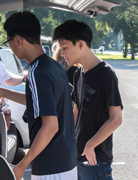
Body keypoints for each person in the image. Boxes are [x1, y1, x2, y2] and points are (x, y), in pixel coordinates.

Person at [0, 11, 77, 180]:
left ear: (18, 40)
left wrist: (22, 166)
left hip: (50, 166)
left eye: (8, 41)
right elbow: (39, 101)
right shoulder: (54, 67)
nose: (9, 46)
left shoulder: (37, 72)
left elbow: (50, 126)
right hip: (67, 161)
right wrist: (2, 92)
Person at [52, 20, 123, 180]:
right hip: (78, 156)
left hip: (96, 161)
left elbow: (116, 119)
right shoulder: (78, 74)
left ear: (81, 44)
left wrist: (91, 145)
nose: (62, 54)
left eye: (65, 48)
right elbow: (76, 112)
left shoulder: (106, 74)